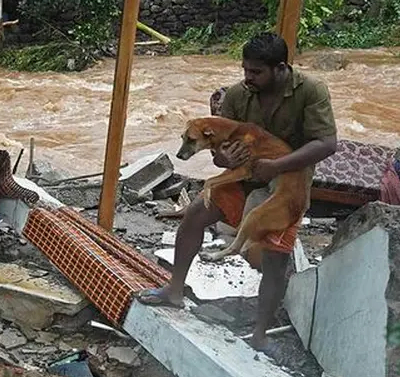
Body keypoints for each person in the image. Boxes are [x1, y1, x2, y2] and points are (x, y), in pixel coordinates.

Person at [137, 32, 338, 351]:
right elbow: (217, 146)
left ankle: (260, 333)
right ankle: (174, 291)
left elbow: (327, 144)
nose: (248, 78)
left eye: (256, 72)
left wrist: (277, 166)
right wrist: (222, 158)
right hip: (242, 179)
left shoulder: (311, 91)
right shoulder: (237, 94)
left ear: (281, 68)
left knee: (274, 258)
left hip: (287, 185)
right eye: (245, 70)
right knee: (194, 215)